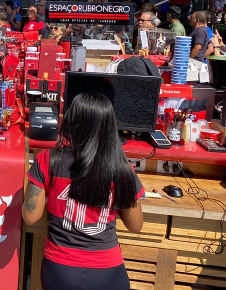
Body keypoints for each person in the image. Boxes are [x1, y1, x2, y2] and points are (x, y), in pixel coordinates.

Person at [22, 92, 144, 290]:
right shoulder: (122, 168)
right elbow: (136, 225)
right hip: (108, 271)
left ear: (71, 119)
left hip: (60, 269)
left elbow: (30, 217)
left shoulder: (47, 160)